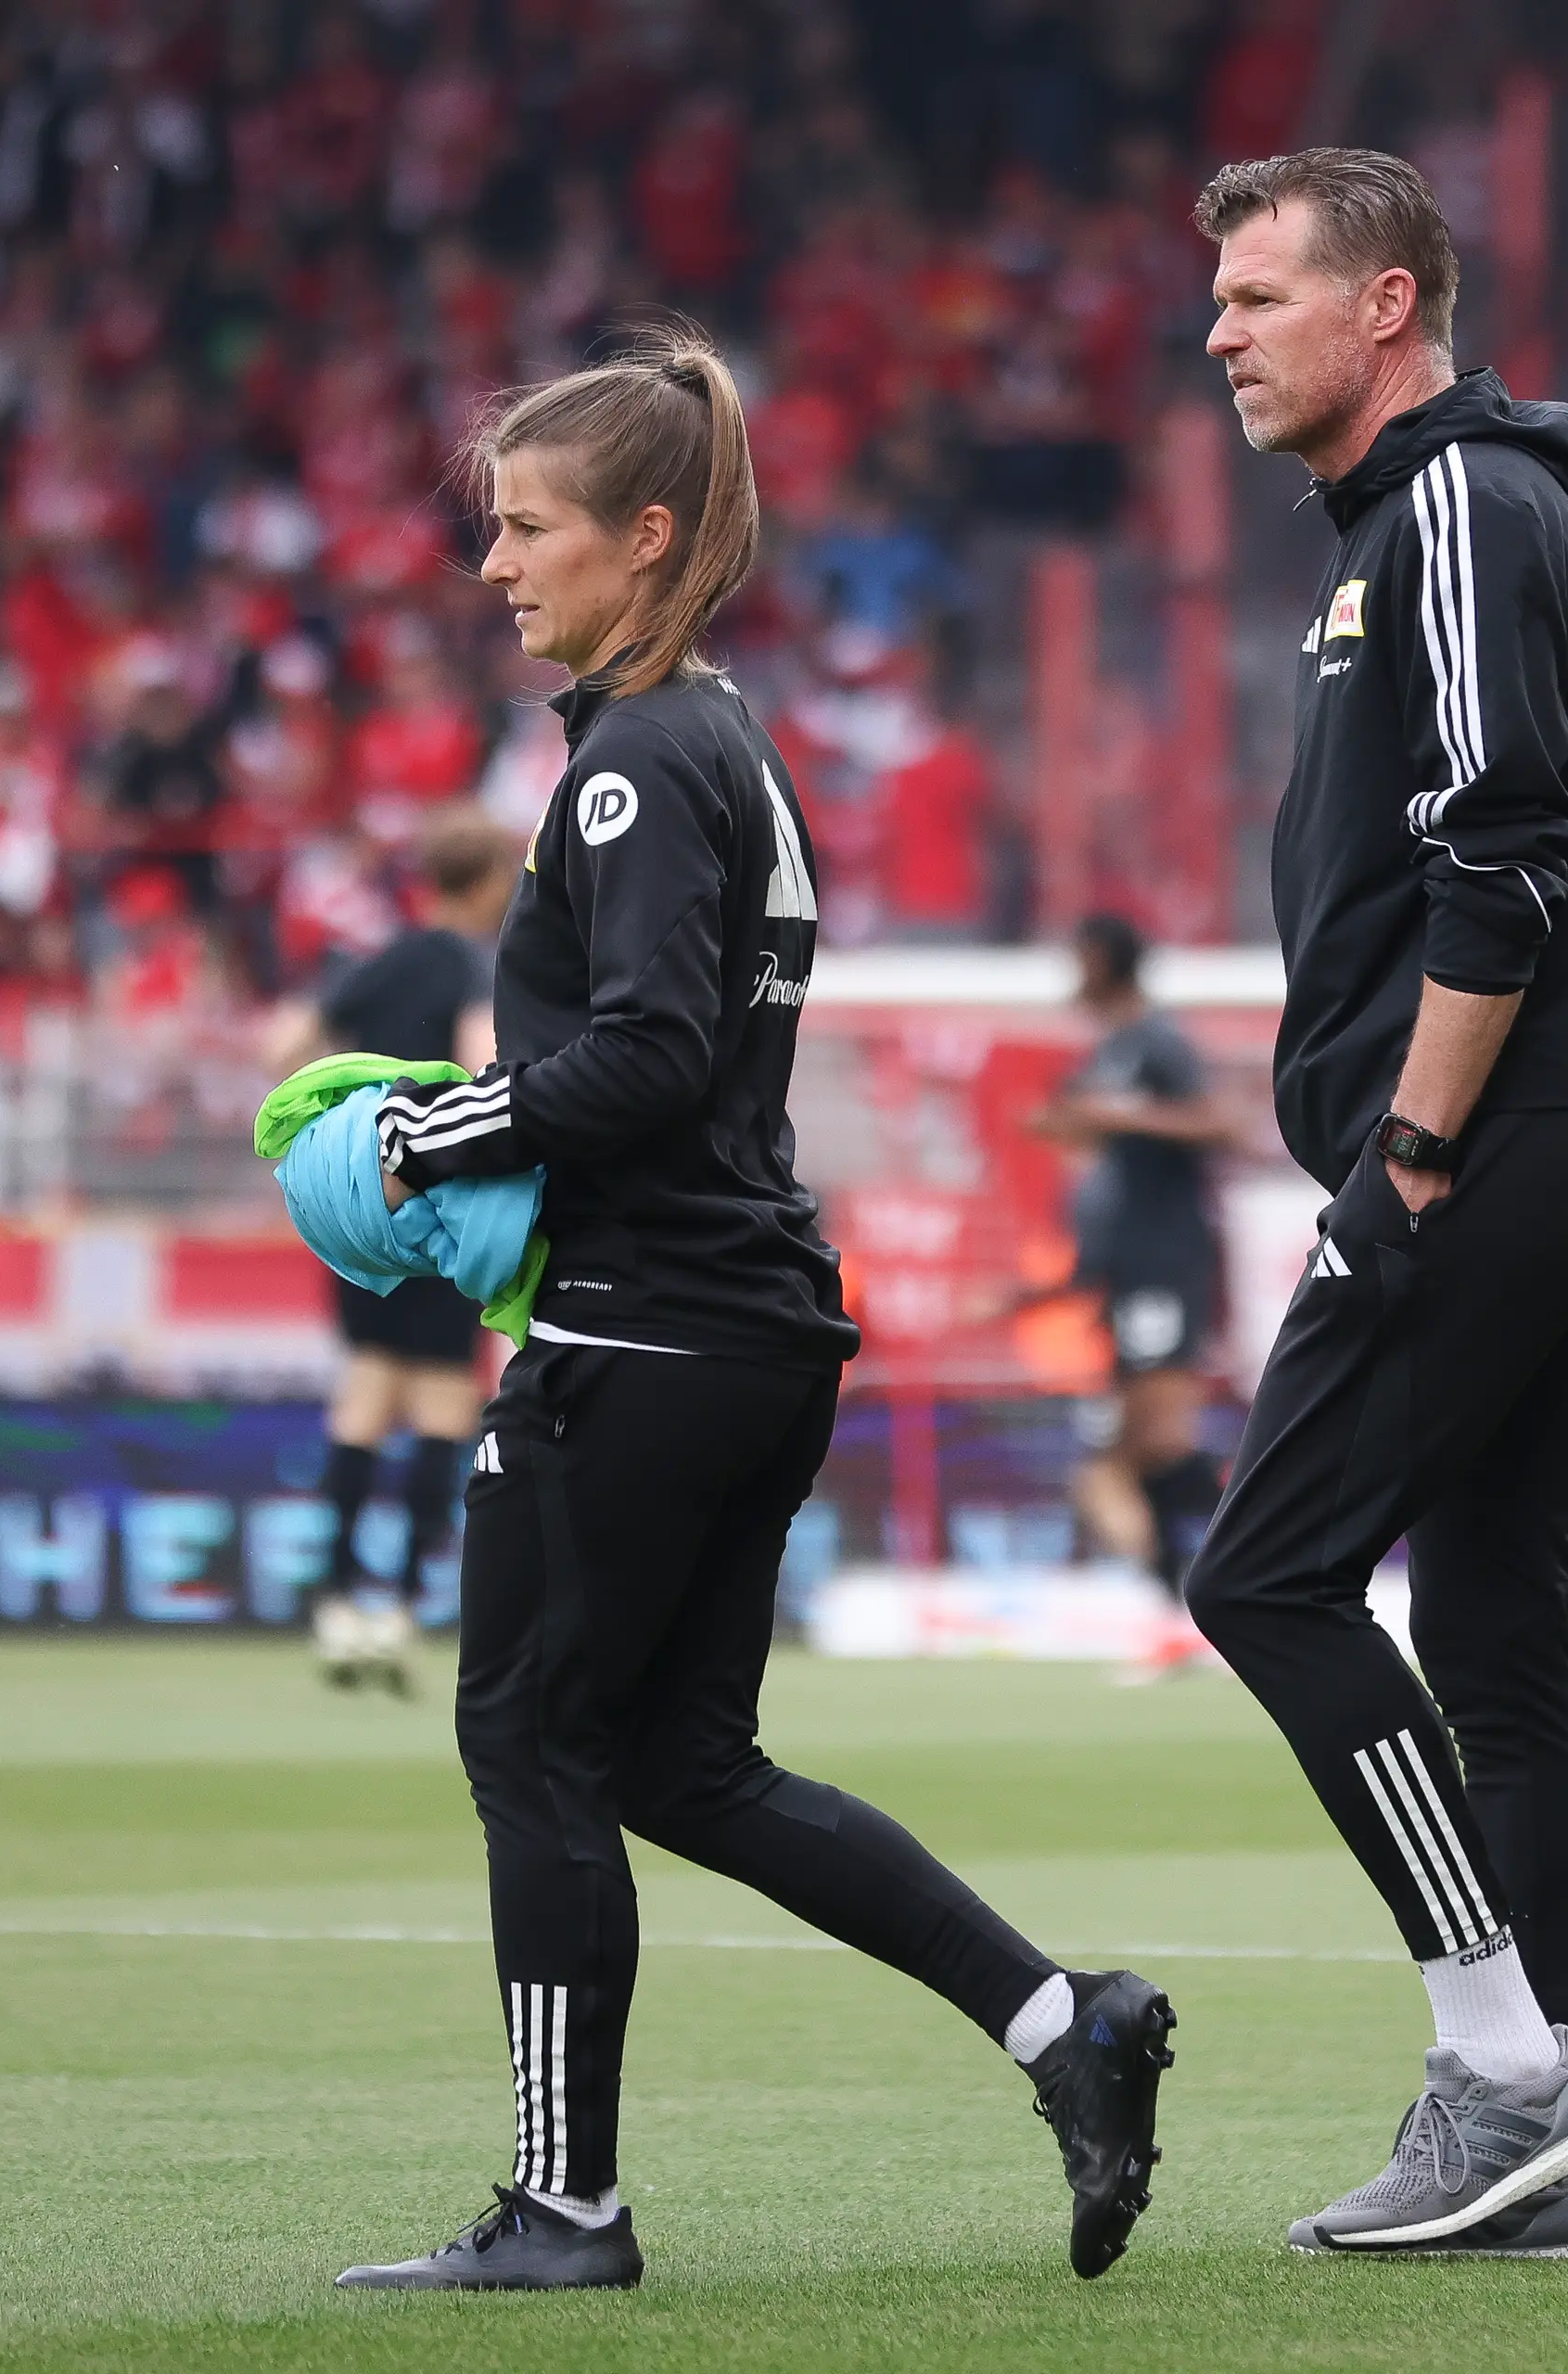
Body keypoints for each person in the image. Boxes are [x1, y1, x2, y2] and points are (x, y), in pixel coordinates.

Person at [326, 328, 1173, 2295]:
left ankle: (565, 2209)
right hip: (752, 1315)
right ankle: (1068, 2024)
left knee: (534, 1738)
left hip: (644, 1327)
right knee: (686, 1761)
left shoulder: (635, 770)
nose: (496, 567)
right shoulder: (726, 744)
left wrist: (419, 1131)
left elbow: (640, 1056)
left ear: (648, 536)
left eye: (529, 527)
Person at [1182, 148, 1568, 2261]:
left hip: (1484, 1144)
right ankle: (1534, 2156)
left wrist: (1408, 1152)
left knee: (1266, 1576)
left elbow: (1503, 851)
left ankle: (1504, 2066)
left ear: (1385, 308)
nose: (1219, 330)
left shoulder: (1456, 506)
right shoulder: (1413, 524)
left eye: (1259, 293)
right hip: (1549, 1141)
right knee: (1486, 1636)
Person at [261, 806, 519, 1695]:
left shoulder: (374, 961)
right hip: (435, 1201)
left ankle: (333, 1602)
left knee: (366, 1391)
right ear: (485, 882)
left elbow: (285, 1046)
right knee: (444, 1402)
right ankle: (400, 1611)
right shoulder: (471, 966)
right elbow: (482, 1069)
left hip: (358, 1205)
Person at [1028, 913, 1232, 1680]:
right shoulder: (1110, 1052)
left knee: (1145, 1451)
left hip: (1163, 1265)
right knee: (1138, 1457)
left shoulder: (1157, 1042)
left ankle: (1267, 1577)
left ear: (1107, 960)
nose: (1071, 972)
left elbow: (1219, 1123)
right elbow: (1084, 1134)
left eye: (1079, 956)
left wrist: (1113, 1114)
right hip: (1128, 1275)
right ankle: (1182, 1615)